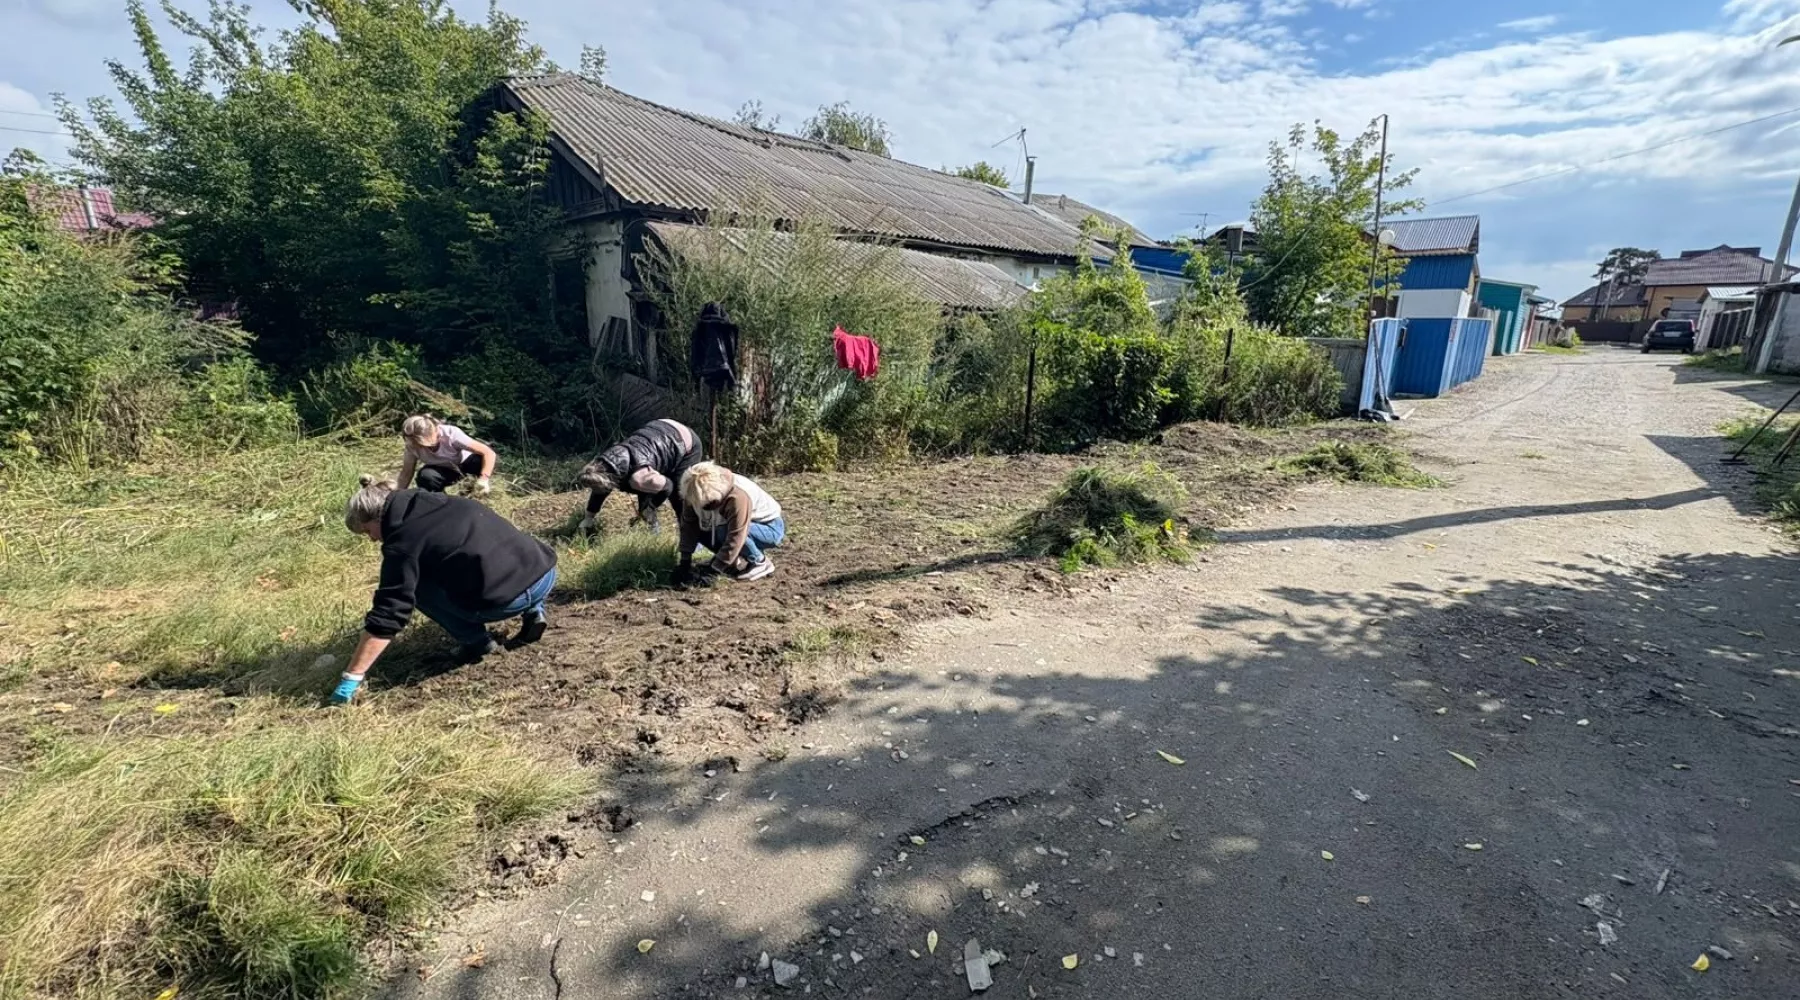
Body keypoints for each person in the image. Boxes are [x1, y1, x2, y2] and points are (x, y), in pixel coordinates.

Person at [329, 475, 557, 705]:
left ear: (377, 517)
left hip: (506, 600)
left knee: (415, 586)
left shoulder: (402, 542)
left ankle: (478, 643)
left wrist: (352, 676)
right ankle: (535, 611)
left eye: (368, 531)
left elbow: (390, 611)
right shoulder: (445, 501)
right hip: (543, 573)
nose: (372, 539)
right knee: (489, 552)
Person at [576, 418, 704, 533]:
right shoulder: (605, 463)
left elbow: (668, 486)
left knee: (679, 495)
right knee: (646, 492)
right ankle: (653, 534)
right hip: (660, 426)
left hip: (684, 441)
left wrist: (650, 507)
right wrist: (589, 517)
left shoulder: (639, 478)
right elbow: (599, 491)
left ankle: (695, 539)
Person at [675, 461, 785, 584]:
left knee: (724, 530)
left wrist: (715, 569)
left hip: (769, 528)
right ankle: (731, 560)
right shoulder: (693, 491)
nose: (705, 508)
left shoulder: (738, 496)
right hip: (730, 526)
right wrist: (685, 562)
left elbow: (737, 534)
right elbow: (688, 526)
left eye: (709, 504)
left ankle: (760, 562)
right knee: (701, 529)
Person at [397, 414, 498, 496]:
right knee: (426, 476)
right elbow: (406, 473)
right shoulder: (412, 447)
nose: (421, 448)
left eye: (422, 445)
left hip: (466, 464)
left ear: (435, 432)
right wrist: (397, 495)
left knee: (479, 460)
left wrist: (484, 479)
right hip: (444, 470)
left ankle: (473, 491)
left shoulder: (451, 434)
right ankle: (439, 501)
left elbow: (489, 453)